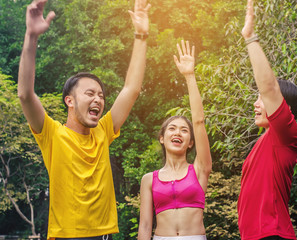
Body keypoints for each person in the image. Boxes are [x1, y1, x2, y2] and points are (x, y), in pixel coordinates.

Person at [17, 0, 150, 239]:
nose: (98, 99)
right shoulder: (52, 134)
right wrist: (31, 37)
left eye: (101, 95)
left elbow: (132, 89)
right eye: (90, 94)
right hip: (66, 235)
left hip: (104, 235)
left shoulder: (104, 130)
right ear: (69, 100)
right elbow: (25, 94)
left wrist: (141, 35)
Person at [237, 0, 297, 240]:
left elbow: (269, 87)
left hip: (272, 235)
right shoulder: (264, 142)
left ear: (284, 109)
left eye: (261, 99)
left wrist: (250, 37)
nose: (256, 103)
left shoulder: (287, 136)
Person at [137, 40, 212, 240]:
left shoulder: (199, 169)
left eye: (184, 130)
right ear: (162, 138)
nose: (177, 133)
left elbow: (199, 121)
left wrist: (189, 76)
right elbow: (145, 226)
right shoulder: (148, 180)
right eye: (172, 129)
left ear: (191, 142)